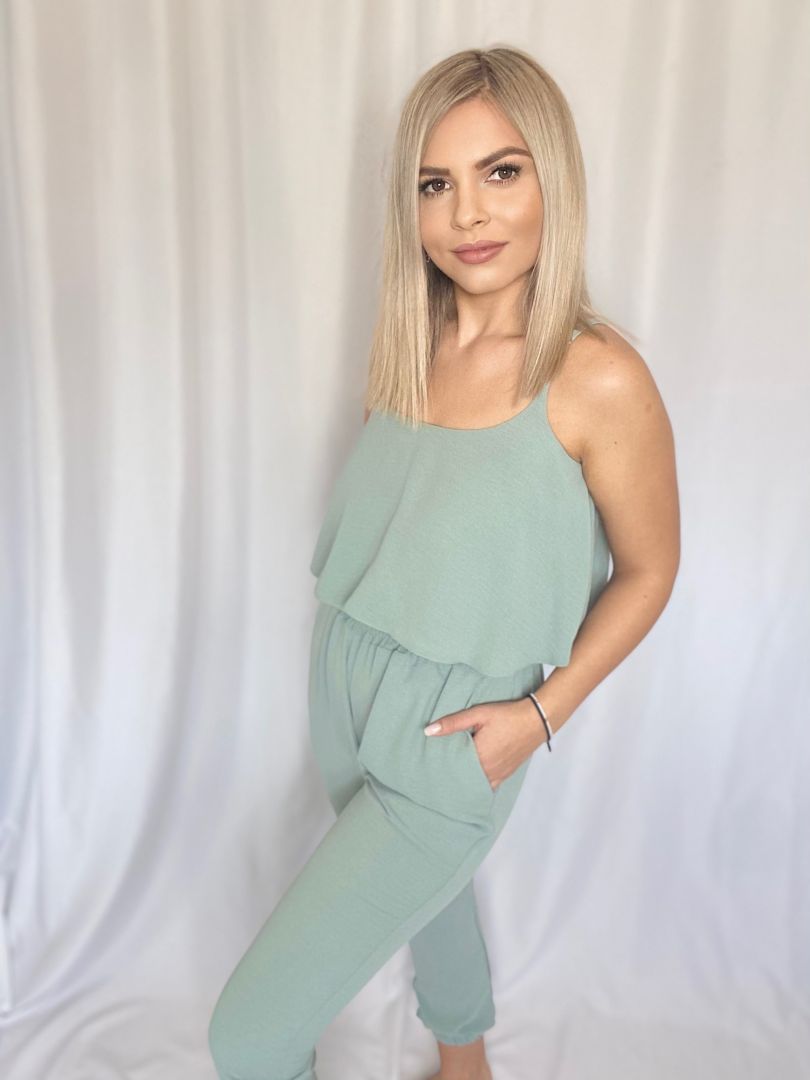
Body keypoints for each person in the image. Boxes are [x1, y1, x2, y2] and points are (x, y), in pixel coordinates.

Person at [208, 44, 680, 1080]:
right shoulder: (409, 343)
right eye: (435, 183)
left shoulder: (597, 377)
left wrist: (540, 716)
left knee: (246, 1038)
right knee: (435, 896)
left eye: (500, 171)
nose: (467, 213)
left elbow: (650, 571)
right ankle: (466, 1062)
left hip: (460, 729)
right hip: (345, 681)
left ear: (554, 178)